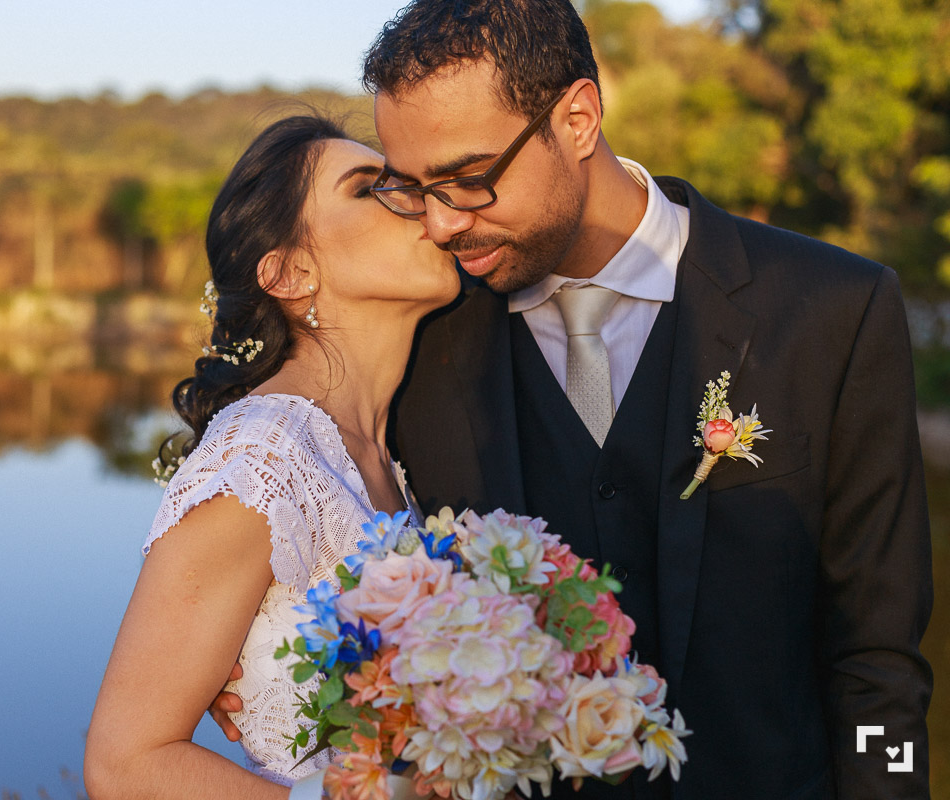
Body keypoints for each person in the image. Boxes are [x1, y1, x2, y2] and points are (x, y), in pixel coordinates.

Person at [210, 2, 934, 798]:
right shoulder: (421, 340)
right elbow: (280, 447)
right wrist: (255, 649)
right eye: (416, 190)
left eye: (469, 178)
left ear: (579, 119)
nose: (443, 224)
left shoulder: (832, 308)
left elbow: (879, 659)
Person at [82, 115, 459, 800]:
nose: (419, 202)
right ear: (290, 272)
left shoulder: (394, 448)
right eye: (370, 188)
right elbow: (125, 764)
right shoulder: (263, 455)